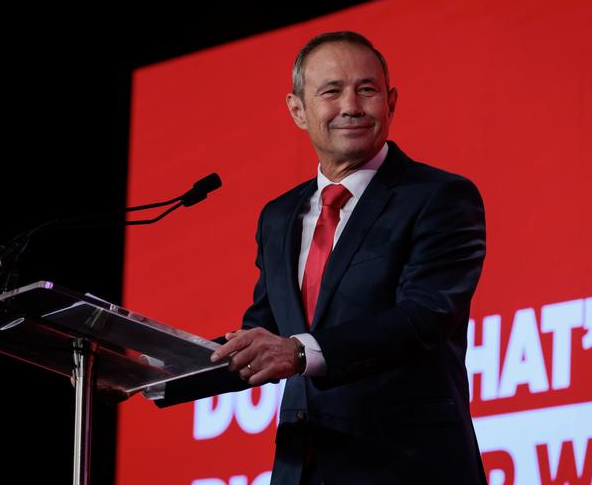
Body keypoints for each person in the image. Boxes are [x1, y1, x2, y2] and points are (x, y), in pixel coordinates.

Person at [163, 31, 488, 484]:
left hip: (408, 464)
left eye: (367, 89)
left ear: (391, 102)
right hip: (304, 464)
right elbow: (263, 334)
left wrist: (298, 352)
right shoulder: (279, 216)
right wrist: (153, 371)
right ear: (298, 110)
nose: (351, 105)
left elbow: (425, 317)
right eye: (331, 91)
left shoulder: (439, 197)